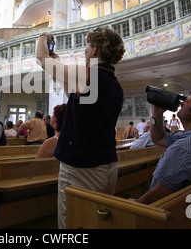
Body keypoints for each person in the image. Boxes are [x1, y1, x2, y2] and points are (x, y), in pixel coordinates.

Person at [37, 27, 125, 229]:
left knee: (72, 226)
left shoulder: (89, 75)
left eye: (86, 47)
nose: (85, 51)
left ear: (94, 50)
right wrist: (59, 67)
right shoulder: (113, 83)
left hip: (82, 169)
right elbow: (77, 100)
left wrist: (43, 36)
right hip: (106, 166)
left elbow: (42, 59)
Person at [134, 84, 191, 204]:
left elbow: (156, 196)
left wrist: (136, 202)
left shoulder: (185, 148)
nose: (182, 103)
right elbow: (159, 138)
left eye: (187, 101)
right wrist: (157, 112)